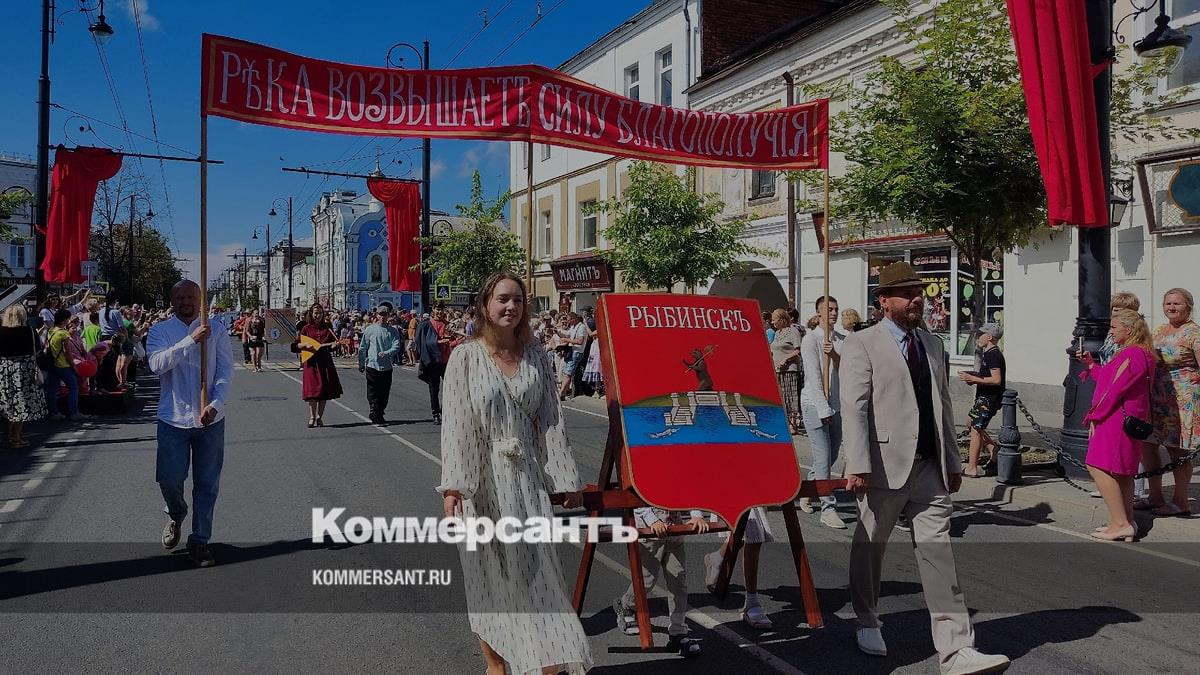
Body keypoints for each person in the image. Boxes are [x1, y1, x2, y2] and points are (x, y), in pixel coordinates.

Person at [840, 262, 1008, 674]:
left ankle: (956, 649)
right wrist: (858, 463)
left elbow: (942, 404)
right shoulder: (862, 343)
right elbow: (854, 408)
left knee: (938, 552)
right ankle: (867, 619)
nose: (917, 298)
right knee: (870, 548)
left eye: (918, 291)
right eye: (906, 293)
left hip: (929, 467)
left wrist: (952, 459)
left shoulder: (932, 343)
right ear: (884, 301)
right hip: (882, 466)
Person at [437, 271, 591, 675]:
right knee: (489, 579)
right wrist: (454, 487)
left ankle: (545, 663)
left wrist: (565, 479)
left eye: (518, 300)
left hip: (527, 482)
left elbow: (551, 421)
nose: (511, 307)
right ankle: (496, 665)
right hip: (483, 484)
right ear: (485, 305)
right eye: (503, 299)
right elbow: (457, 425)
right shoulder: (465, 357)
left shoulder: (536, 355)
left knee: (539, 575)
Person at [146, 280, 233, 568]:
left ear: (200, 299)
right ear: (173, 301)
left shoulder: (217, 330)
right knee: (169, 479)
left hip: (210, 420)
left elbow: (225, 372)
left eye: (191, 297)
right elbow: (156, 365)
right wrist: (191, 340)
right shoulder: (160, 331)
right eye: (181, 297)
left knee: (207, 484)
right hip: (173, 418)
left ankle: (200, 541)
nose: (186, 302)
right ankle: (176, 512)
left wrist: (215, 404)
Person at [1077, 309, 1155, 541]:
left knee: (1097, 466)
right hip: (1128, 417)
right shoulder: (1142, 352)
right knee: (1122, 472)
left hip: (1116, 419)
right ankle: (1125, 521)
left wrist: (1094, 416)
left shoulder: (1132, 353)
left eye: (1114, 327)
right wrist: (1091, 365)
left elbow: (1114, 389)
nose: (1111, 332)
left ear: (1128, 330)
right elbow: (1112, 380)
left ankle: (1120, 523)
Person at [617, 507, 709, 655]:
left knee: (678, 582)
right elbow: (638, 501)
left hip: (674, 534)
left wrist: (697, 515)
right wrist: (653, 520)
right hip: (650, 535)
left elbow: (691, 494)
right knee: (646, 580)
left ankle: (678, 633)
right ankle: (627, 605)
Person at [1144, 288, 1200, 517]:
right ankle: (1155, 496)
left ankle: (1180, 501)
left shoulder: (1194, 333)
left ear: (1188, 306)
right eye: (1168, 303)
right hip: (1156, 399)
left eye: (1177, 303)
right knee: (1147, 445)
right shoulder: (1159, 330)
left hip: (1182, 402)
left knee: (1177, 451)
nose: (1172, 307)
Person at [798, 296, 847, 529]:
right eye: (829, 309)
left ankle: (810, 488)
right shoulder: (810, 340)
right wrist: (823, 409)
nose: (834, 313)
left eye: (836, 309)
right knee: (823, 456)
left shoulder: (842, 340)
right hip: (814, 405)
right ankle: (828, 509)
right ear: (818, 313)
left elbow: (849, 370)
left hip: (836, 404)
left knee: (831, 456)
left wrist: (835, 355)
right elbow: (814, 377)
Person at [958, 323, 1006, 478]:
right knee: (970, 422)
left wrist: (973, 378)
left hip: (989, 398)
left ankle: (972, 468)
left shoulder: (993, 355)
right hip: (983, 397)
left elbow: (996, 380)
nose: (978, 337)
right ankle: (993, 448)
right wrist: (974, 376)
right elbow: (988, 376)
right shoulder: (989, 353)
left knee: (976, 430)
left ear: (989, 337)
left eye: (981, 334)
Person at [0, 305, 47, 447]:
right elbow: (38, 349)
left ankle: (7, 436)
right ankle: (16, 437)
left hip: (4, 370)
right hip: (24, 370)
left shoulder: (1, 331)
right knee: (21, 404)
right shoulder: (29, 331)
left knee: (7, 403)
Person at [292, 304, 342, 428]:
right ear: (311, 314)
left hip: (325, 362)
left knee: (323, 391)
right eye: (315, 313)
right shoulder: (306, 328)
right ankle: (312, 417)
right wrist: (305, 346)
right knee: (313, 392)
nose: (317, 315)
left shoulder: (327, 328)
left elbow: (331, 345)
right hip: (311, 363)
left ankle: (319, 417)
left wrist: (335, 346)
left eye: (320, 313)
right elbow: (295, 345)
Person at [358, 303, 401, 424]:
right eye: (380, 314)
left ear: (388, 316)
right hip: (372, 365)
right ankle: (374, 409)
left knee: (384, 392)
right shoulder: (370, 329)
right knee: (372, 390)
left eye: (385, 314)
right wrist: (361, 363)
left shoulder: (393, 331)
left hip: (386, 367)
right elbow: (363, 347)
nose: (382, 317)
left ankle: (379, 412)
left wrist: (386, 353)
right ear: (376, 315)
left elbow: (396, 346)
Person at [415, 304, 453, 424]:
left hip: (447, 361)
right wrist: (438, 342)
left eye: (442, 310)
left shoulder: (448, 325)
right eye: (438, 309)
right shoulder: (426, 325)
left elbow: (453, 339)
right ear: (433, 310)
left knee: (449, 389)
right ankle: (435, 413)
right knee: (434, 389)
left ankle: (445, 410)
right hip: (433, 362)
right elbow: (422, 342)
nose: (440, 312)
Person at [770, 307, 805, 434]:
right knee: (781, 397)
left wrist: (786, 358)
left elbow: (798, 350)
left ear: (781, 319)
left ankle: (793, 424)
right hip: (777, 369)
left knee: (790, 396)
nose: (772, 322)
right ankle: (784, 422)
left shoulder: (793, 331)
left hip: (789, 369)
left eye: (774, 320)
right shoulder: (777, 333)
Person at [43, 309, 80, 420]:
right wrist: (73, 365)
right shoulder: (63, 333)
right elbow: (66, 351)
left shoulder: (51, 330)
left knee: (52, 389)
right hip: (63, 365)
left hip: (52, 364)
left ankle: (54, 412)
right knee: (73, 387)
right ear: (64, 320)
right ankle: (73, 412)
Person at [554, 312, 587, 400]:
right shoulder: (573, 327)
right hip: (571, 351)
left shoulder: (581, 327)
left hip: (577, 352)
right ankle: (564, 392)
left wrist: (566, 340)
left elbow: (580, 341)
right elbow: (566, 335)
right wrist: (557, 333)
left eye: (569, 320)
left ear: (573, 319)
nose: (568, 322)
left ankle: (562, 393)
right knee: (566, 372)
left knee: (568, 373)